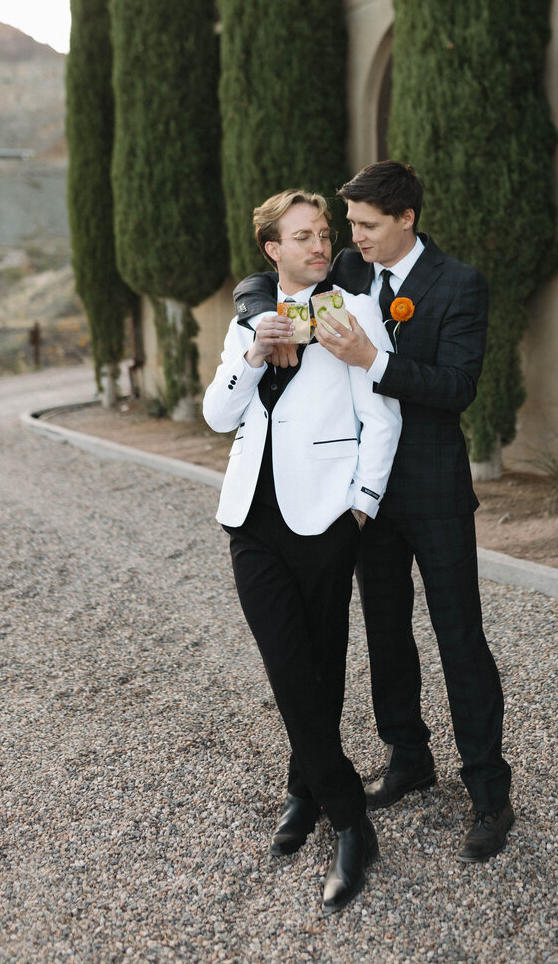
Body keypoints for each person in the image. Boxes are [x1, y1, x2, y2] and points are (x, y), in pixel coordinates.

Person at [233, 160, 514, 862]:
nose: (350, 240)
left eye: (364, 225)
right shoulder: (353, 277)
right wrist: (251, 315)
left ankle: (487, 787)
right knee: (386, 635)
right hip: (369, 495)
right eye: (345, 226)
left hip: (435, 489)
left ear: (405, 219)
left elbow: (457, 387)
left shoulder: (460, 284)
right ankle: (408, 757)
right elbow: (271, 282)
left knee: (459, 636)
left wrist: (371, 359)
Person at [204, 189, 401, 914]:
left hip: (326, 515)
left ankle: (302, 787)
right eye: (304, 236)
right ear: (272, 250)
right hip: (251, 520)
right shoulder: (249, 318)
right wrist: (253, 352)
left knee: (320, 666)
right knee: (288, 663)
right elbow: (219, 413)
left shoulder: (351, 308)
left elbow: (380, 415)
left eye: (324, 234)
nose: (321, 246)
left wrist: (362, 504)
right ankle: (349, 817)